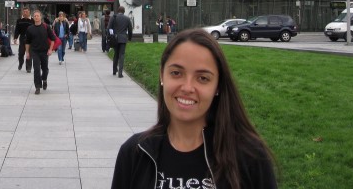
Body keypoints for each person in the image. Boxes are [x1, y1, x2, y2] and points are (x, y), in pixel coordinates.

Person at [111, 29, 277, 189]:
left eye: (203, 78)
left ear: (217, 86)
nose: (187, 87)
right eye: (176, 73)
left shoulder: (250, 157)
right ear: (162, 75)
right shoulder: (135, 153)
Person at [25, 10, 56, 94]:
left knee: (45, 69)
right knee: (36, 69)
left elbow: (53, 39)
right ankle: (37, 87)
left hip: (45, 52)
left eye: (37, 16)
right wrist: (27, 52)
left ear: (40, 17)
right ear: (33, 17)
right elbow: (27, 42)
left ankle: (44, 79)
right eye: (34, 16)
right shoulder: (30, 29)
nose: (36, 17)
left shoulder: (46, 27)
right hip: (34, 52)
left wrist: (50, 49)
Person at [108, 6, 133, 78]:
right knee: (122, 55)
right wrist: (130, 38)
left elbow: (109, 27)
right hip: (123, 39)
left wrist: (110, 36)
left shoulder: (114, 17)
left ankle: (114, 70)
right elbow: (130, 30)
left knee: (116, 54)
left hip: (115, 38)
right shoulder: (127, 19)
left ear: (117, 10)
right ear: (124, 11)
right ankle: (120, 73)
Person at [13, 7, 33, 72]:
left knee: (29, 53)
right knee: (21, 53)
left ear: (29, 12)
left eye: (26, 12)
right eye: (24, 12)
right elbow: (17, 30)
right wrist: (15, 38)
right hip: (22, 38)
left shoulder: (32, 20)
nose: (25, 13)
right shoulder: (19, 20)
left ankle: (28, 68)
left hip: (30, 39)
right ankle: (20, 63)